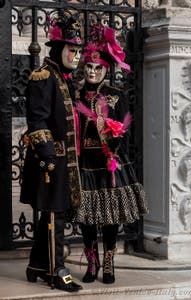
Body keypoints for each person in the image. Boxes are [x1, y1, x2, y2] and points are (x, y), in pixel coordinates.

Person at [74, 24, 148, 284]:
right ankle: (91, 261)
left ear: (106, 69)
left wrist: (114, 147)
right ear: (84, 70)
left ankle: (108, 262)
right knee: (87, 217)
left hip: (109, 164)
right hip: (84, 165)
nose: (93, 72)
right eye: (89, 68)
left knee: (109, 217)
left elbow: (127, 132)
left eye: (99, 68)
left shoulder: (116, 96)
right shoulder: (75, 96)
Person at [20, 15, 83, 292]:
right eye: (72, 50)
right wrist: (46, 156)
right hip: (50, 161)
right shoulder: (44, 77)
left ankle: (36, 264)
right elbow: (37, 120)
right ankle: (56, 270)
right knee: (55, 214)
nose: (77, 55)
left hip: (64, 160)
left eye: (79, 51)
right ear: (58, 49)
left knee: (54, 214)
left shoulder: (64, 78)